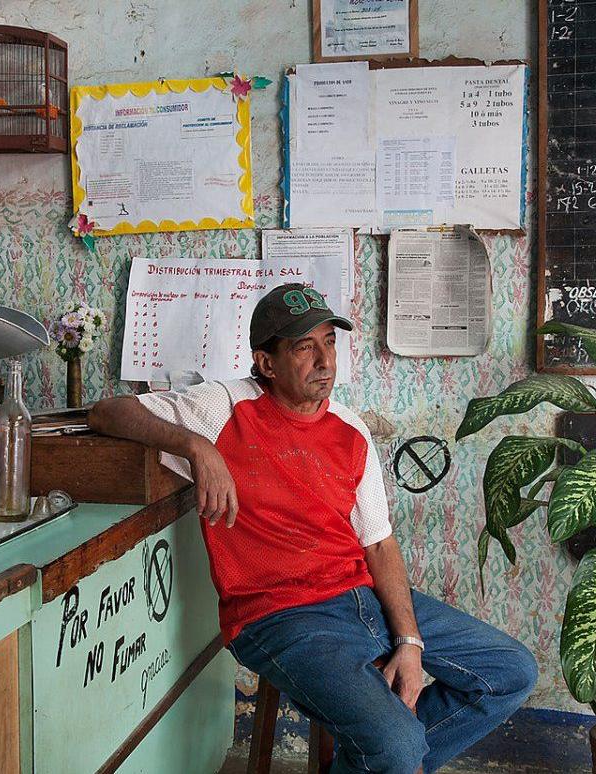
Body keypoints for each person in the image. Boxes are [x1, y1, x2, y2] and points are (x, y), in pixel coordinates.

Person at [88, 283, 537, 773]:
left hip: (359, 596)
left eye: (330, 342)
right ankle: (387, 757)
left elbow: (379, 544)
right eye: (305, 347)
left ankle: (381, 759)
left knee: (511, 671)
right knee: (396, 746)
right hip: (278, 615)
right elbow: (107, 412)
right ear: (266, 363)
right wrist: (197, 447)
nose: (325, 361)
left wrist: (409, 641)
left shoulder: (351, 430)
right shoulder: (224, 408)